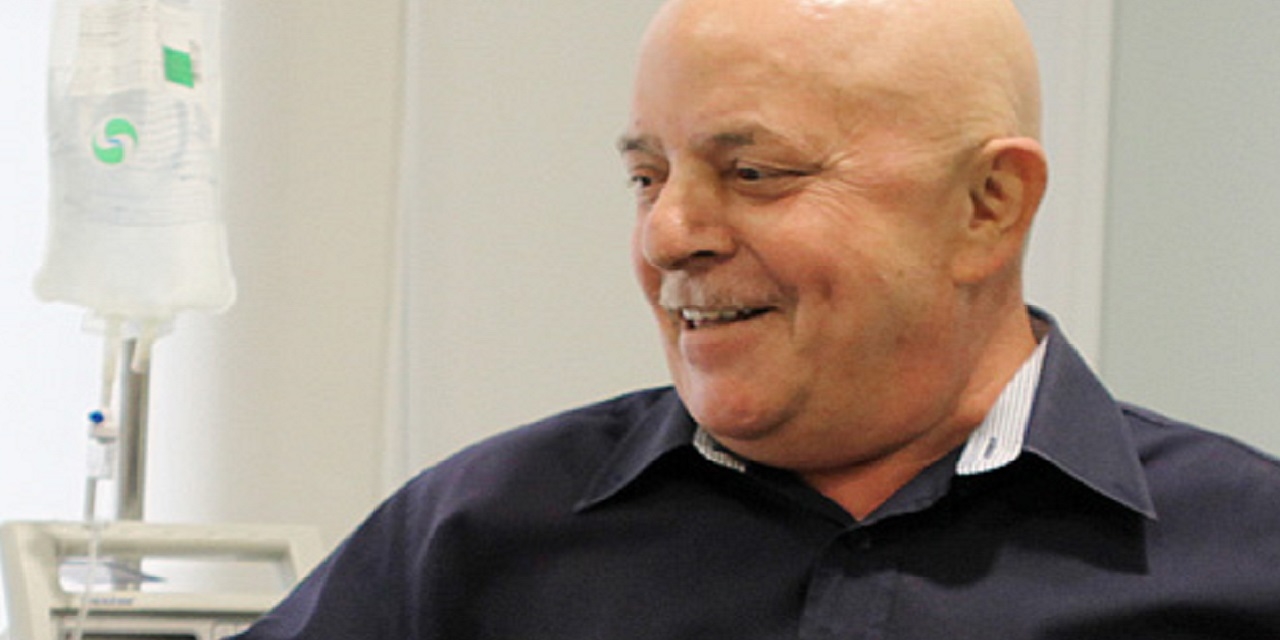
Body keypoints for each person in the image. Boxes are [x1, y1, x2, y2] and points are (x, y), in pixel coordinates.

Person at [236, 0, 1280, 637]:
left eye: (753, 173)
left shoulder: (1245, 556)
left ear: (986, 208)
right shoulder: (477, 536)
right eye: (646, 176)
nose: (668, 234)